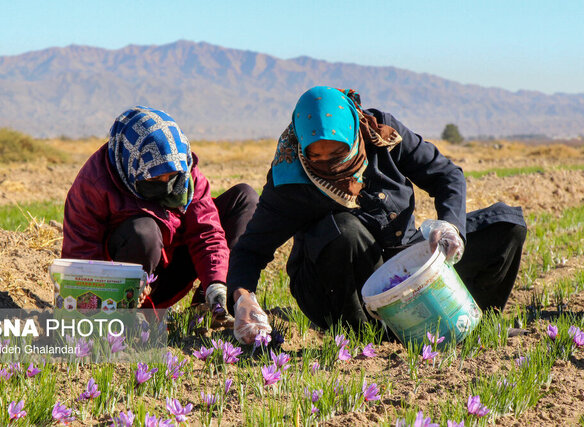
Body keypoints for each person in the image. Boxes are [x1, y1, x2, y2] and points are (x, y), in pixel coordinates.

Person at [226, 86, 527, 344]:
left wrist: (450, 227)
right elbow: (250, 251)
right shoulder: (289, 177)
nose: (328, 165)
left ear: (354, 135)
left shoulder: (381, 132)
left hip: (401, 261)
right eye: (316, 157)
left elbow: (446, 176)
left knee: (505, 225)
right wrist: (243, 299)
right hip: (336, 285)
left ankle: (467, 323)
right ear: (302, 147)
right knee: (346, 230)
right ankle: (369, 338)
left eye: (337, 154)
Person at [61, 106, 258, 314]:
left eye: (170, 176)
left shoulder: (184, 171)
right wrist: (99, 304)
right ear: (133, 164)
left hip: (176, 265)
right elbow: (82, 256)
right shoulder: (94, 183)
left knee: (245, 198)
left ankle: (210, 306)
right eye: (154, 178)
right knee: (143, 230)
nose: (165, 184)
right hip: (126, 279)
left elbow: (206, 231)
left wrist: (215, 282)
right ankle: (127, 312)